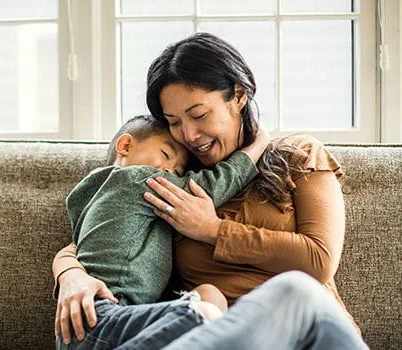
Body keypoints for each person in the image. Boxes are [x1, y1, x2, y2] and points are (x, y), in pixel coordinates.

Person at [53, 32, 368, 349]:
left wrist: (211, 230)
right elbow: (97, 232)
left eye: (199, 114)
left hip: (307, 334)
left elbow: (319, 259)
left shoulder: (297, 154)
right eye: (174, 122)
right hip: (214, 340)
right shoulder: (178, 183)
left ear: (239, 95)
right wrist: (71, 276)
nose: (188, 134)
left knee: (295, 290)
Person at [58, 114, 269, 348]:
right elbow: (210, 186)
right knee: (205, 307)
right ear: (125, 145)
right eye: (166, 156)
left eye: (179, 172)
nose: (169, 172)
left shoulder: (88, 196)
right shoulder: (137, 179)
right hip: (103, 315)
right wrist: (258, 143)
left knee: (207, 298)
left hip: (86, 326)